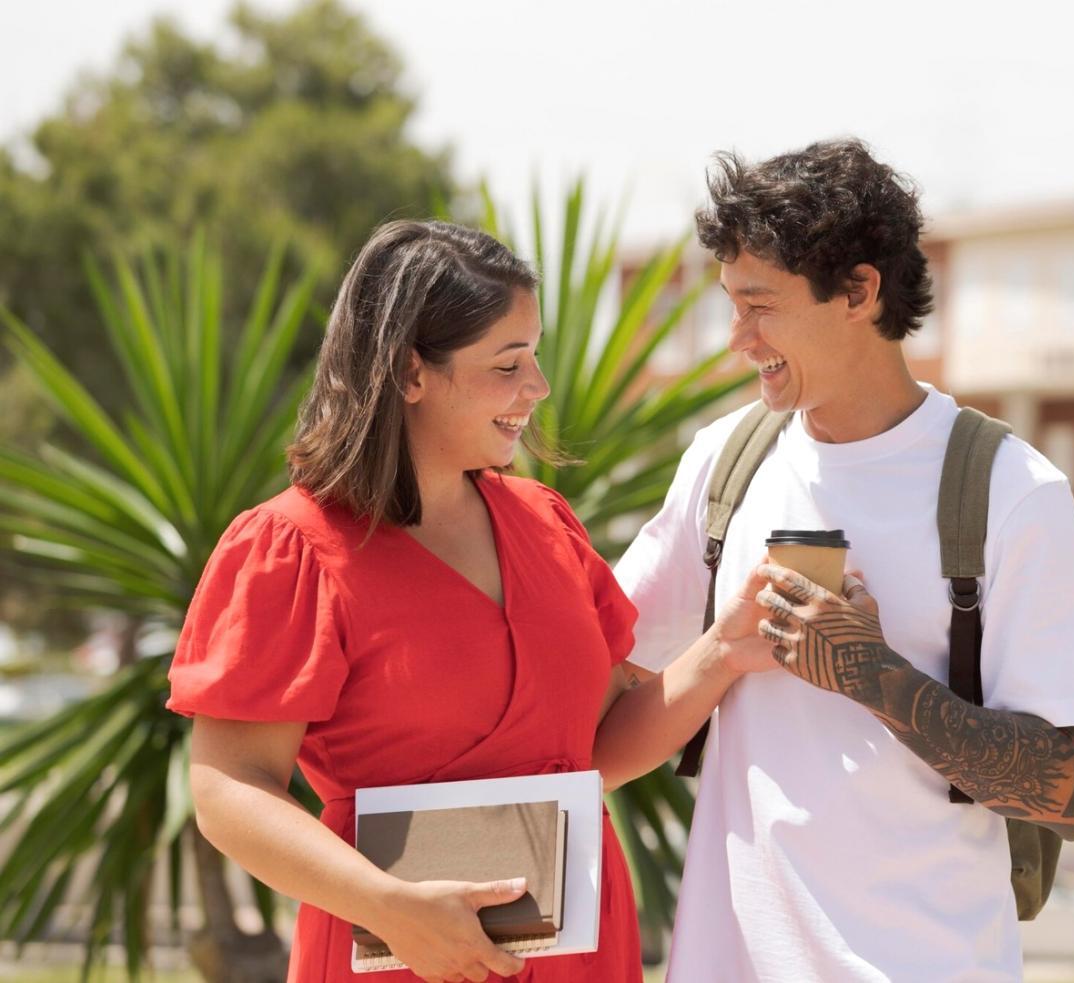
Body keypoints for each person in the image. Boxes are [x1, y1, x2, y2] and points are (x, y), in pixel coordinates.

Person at [168, 220, 776, 983]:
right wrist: (389, 904)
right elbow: (226, 788)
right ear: (409, 372)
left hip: (576, 954)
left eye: (535, 354)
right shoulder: (292, 548)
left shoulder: (548, 524)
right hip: (396, 955)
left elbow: (596, 748)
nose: (538, 386)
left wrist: (724, 649)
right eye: (507, 363)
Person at [610, 139, 1074, 981]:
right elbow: (601, 743)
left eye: (760, 305)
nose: (738, 338)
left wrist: (870, 674)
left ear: (858, 290)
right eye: (731, 305)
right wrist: (720, 652)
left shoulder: (1011, 490)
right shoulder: (721, 465)